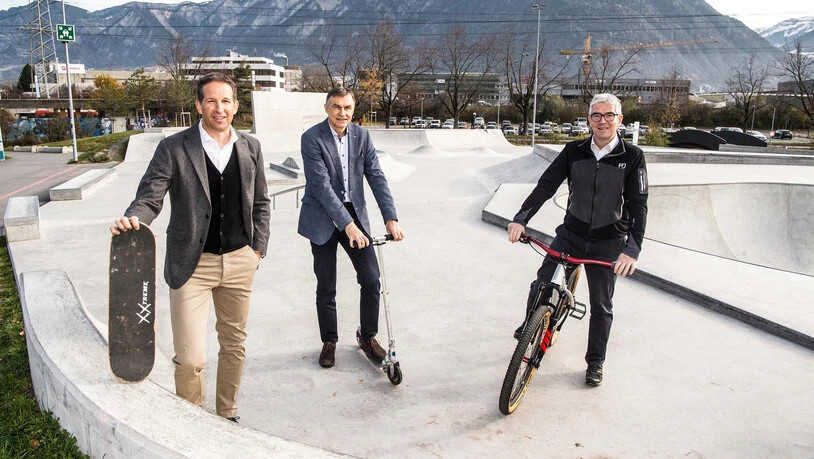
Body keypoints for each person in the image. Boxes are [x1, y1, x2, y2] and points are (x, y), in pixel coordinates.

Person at [110, 73, 270, 421]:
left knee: (234, 345)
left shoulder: (250, 147)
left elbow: (261, 202)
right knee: (191, 357)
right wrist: (134, 220)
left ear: (236, 106)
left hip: (240, 261)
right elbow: (149, 198)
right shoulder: (174, 148)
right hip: (192, 267)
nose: (219, 108)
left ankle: (227, 413)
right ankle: (193, 421)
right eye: (211, 100)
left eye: (226, 101)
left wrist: (258, 248)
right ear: (198, 105)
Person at [506, 93, 648, 387]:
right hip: (571, 234)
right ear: (588, 120)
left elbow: (639, 206)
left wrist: (631, 251)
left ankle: (595, 362)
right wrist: (521, 219)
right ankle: (532, 323)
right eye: (596, 115)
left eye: (609, 115)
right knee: (542, 282)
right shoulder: (574, 150)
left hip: (608, 241)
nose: (603, 121)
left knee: (602, 304)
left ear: (619, 120)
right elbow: (545, 186)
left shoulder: (632, 157)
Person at [298, 86, 404, 369]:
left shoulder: (362, 136)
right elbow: (320, 187)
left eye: (347, 107)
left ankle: (367, 337)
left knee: (371, 279)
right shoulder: (312, 138)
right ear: (326, 108)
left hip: (354, 215)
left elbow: (377, 177)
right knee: (326, 285)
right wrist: (347, 226)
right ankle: (329, 341)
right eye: (336, 107)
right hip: (322, 218)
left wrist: (390, 218)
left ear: (353, 109)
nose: (342, 112)